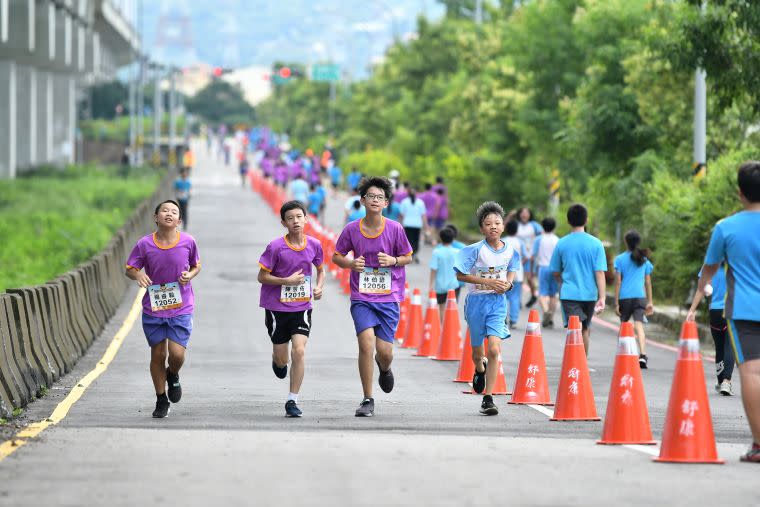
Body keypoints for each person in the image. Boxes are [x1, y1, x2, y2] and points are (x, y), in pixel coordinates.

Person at [689, 161, 760, 463]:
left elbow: (709, 269)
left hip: (744, 310)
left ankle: (758, 444)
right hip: (741, 311)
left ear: (740, 192)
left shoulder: (726, 227)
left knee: (753, 373)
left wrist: (704, 286)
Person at [332, 176, 413, 417]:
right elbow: (337, 256)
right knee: (365, 344)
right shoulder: (351, 229)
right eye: (371, 197)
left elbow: (407, 256)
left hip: (388, 297)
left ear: (386, 202)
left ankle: (384, 368)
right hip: (362, 297)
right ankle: (368, 398)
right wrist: (349, 263)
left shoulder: (395, 229)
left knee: (384, 352)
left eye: (380, 197)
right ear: (362, 200)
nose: (375, 200)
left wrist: (393, 260)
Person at [125, 200, 201, 418]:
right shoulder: (144, 244)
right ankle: (160, 399)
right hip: (154, 308)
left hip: (182, 306)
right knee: (158, 354)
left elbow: (197, 264)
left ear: (179, 220)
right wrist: (138, 274)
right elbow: (130, 268)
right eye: (164, 211)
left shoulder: (188, 241)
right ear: (155, 217)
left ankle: (173, 374)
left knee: (177, 355)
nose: (169, 214)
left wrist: (190, 275)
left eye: (174, 212)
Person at [257, 201, 325, 417]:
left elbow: (321, 270)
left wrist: (319, 286)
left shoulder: (314, 244)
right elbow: (262, 276)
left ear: (306, 219)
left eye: (299, 217)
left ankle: (292, 400)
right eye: (290, 218)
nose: (295, 221)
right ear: (284, 222)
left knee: (299, 350)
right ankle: (278, 361)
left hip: (302, 307)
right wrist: (286, 280)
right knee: (282, 359)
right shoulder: (276, 247)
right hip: (276, 309)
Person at [454, 202, 520, 416]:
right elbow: (460, 275)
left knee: (493, 349)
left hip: (497, 304)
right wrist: (489, 282)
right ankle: (479, 368)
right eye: (488, 223)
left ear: (503, 226)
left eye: (497, 222)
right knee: (477, 353)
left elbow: (512, 270)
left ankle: (488, 399)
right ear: (482, 228)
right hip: (476, 303)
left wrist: (508, 284)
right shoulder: (475, 250)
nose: (493, 226)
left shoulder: (510, 250)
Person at [549, 204, 607, 356]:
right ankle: (582, 365)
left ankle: (576, 364)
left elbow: (555, 271)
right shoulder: (596, 244)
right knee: (584, 329)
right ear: (586, 220)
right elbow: (600, 272)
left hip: (569, 293)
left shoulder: (561, 243)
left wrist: (563, 281)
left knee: (575, 328)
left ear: (568, 221)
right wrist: (602, 297)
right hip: (590, 294)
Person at [687, 265, 734, 395]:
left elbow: (701, 289)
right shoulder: (736, 261)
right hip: (732, 310)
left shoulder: (710, 264)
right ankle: (726, 381)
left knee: (719, 347)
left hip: (715, 311)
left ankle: (720, 382)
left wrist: (692, 310)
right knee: (729, 346)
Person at [613, 230, 654, 369]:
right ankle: (642, 355)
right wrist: (650, 301)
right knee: (639, 326)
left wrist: (616, 302)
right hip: (640, 297)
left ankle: (623, 355)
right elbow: (648, 282)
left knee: (624, 325)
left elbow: (618, 282)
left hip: (625, 297)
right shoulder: (644, 259)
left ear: (626, 242)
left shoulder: (619, 259)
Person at [532, 217, 560, 328]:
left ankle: (545, 310)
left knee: (542, 293)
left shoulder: (539, 239)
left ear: (543, 226)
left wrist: (533, 270)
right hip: (555, 268)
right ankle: (551, 318)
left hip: (543, 267)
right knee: (553, 294)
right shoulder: (557, 240)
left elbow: (534, 255)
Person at [429, 227, 461, 319]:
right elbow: (459, 269)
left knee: (442, 308)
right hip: (454, 284)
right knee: (452, 307)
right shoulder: (457, 252)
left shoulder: (437, 252)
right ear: (452, 238)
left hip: (440, 285)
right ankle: (451, 327)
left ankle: (443, 328)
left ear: (441, 238)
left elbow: (433, 269)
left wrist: (430, 285)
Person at [516, 207, 543, 308]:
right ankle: (517, 300)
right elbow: (504, 228)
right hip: (517, 256)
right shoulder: (516, 225)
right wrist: (510, 216)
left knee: (530, 278)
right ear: (519, 214)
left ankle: (533, 295)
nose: (524, 215)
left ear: (530, 215)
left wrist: (536, 251)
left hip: (530, 256)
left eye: (526, 213)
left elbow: (543, 235)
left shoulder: (534, 225)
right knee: (518, 279)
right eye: (522, 212)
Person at [504, 220, 528, 329]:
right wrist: (520, 263)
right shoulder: (520, 242)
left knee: (503, 296)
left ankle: (503, 316)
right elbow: (526, 256)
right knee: (515, 297)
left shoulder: (502, 241)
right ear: (517, 230)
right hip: (518, 273)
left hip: (504, 273)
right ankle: (513, 320)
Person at [399, 187, 428, 263]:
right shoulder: (420, 202)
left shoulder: (404, 202)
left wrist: (400, 224)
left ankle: (409, 255)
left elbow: (401, 215)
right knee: (416, 241)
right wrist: (426, 226)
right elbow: (423, 215)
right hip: (417, 225)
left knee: (408, 241)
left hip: (407, 224)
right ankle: (414, 255)